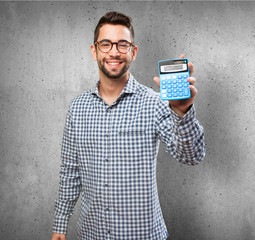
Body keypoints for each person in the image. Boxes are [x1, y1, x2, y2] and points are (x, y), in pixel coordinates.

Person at [51, 11, 205, 240]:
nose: (114, 51)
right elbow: (70, 172)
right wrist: (59, 226)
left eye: (122, 45)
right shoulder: (77, 108)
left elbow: (191, 156)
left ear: (133, 52)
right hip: (91, 235)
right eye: (106, 44)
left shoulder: (155, 103)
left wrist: (181, 112)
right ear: (94, 51)